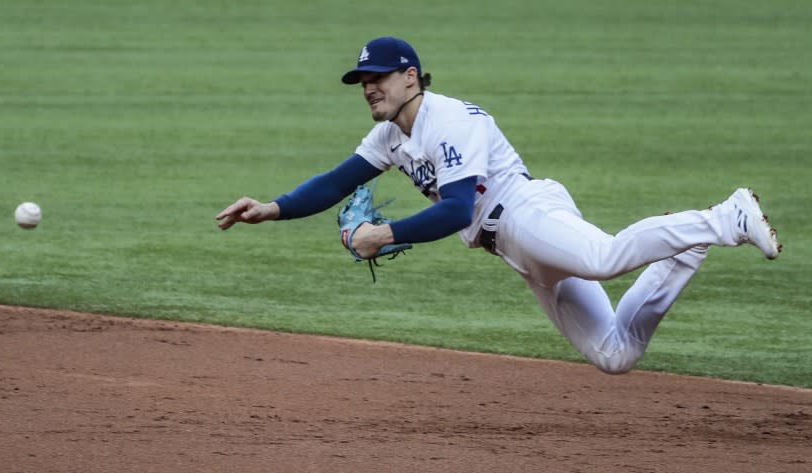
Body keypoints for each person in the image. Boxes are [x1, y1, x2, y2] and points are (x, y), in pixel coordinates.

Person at [216, 37, 781, 374]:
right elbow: (336, 181)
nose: (367, 87)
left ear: (410, 77)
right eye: (361, 80)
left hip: (527, 214)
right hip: (515, 250)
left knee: (607, 258)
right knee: (615, 354)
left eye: (377, 77)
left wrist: (383, 235)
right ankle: (685, 252)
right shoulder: (391, 136)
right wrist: (273, 207)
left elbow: (459, 209)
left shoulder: (449, 120)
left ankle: (724, 217)